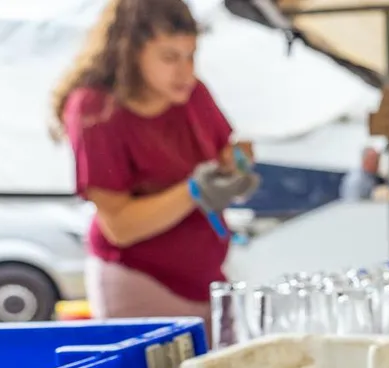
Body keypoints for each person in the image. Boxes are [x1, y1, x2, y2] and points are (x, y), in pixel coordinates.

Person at [53, 0, 257, 341]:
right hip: (141, 281)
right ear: (129, 51)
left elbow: (225, 149)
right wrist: (193, 191)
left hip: (208, 279)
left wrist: (235, 166)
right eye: (169, 57)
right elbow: (120, 227)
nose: (185, 72)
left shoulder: (192, 93)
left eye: (190, 56)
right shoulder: (95, 110)